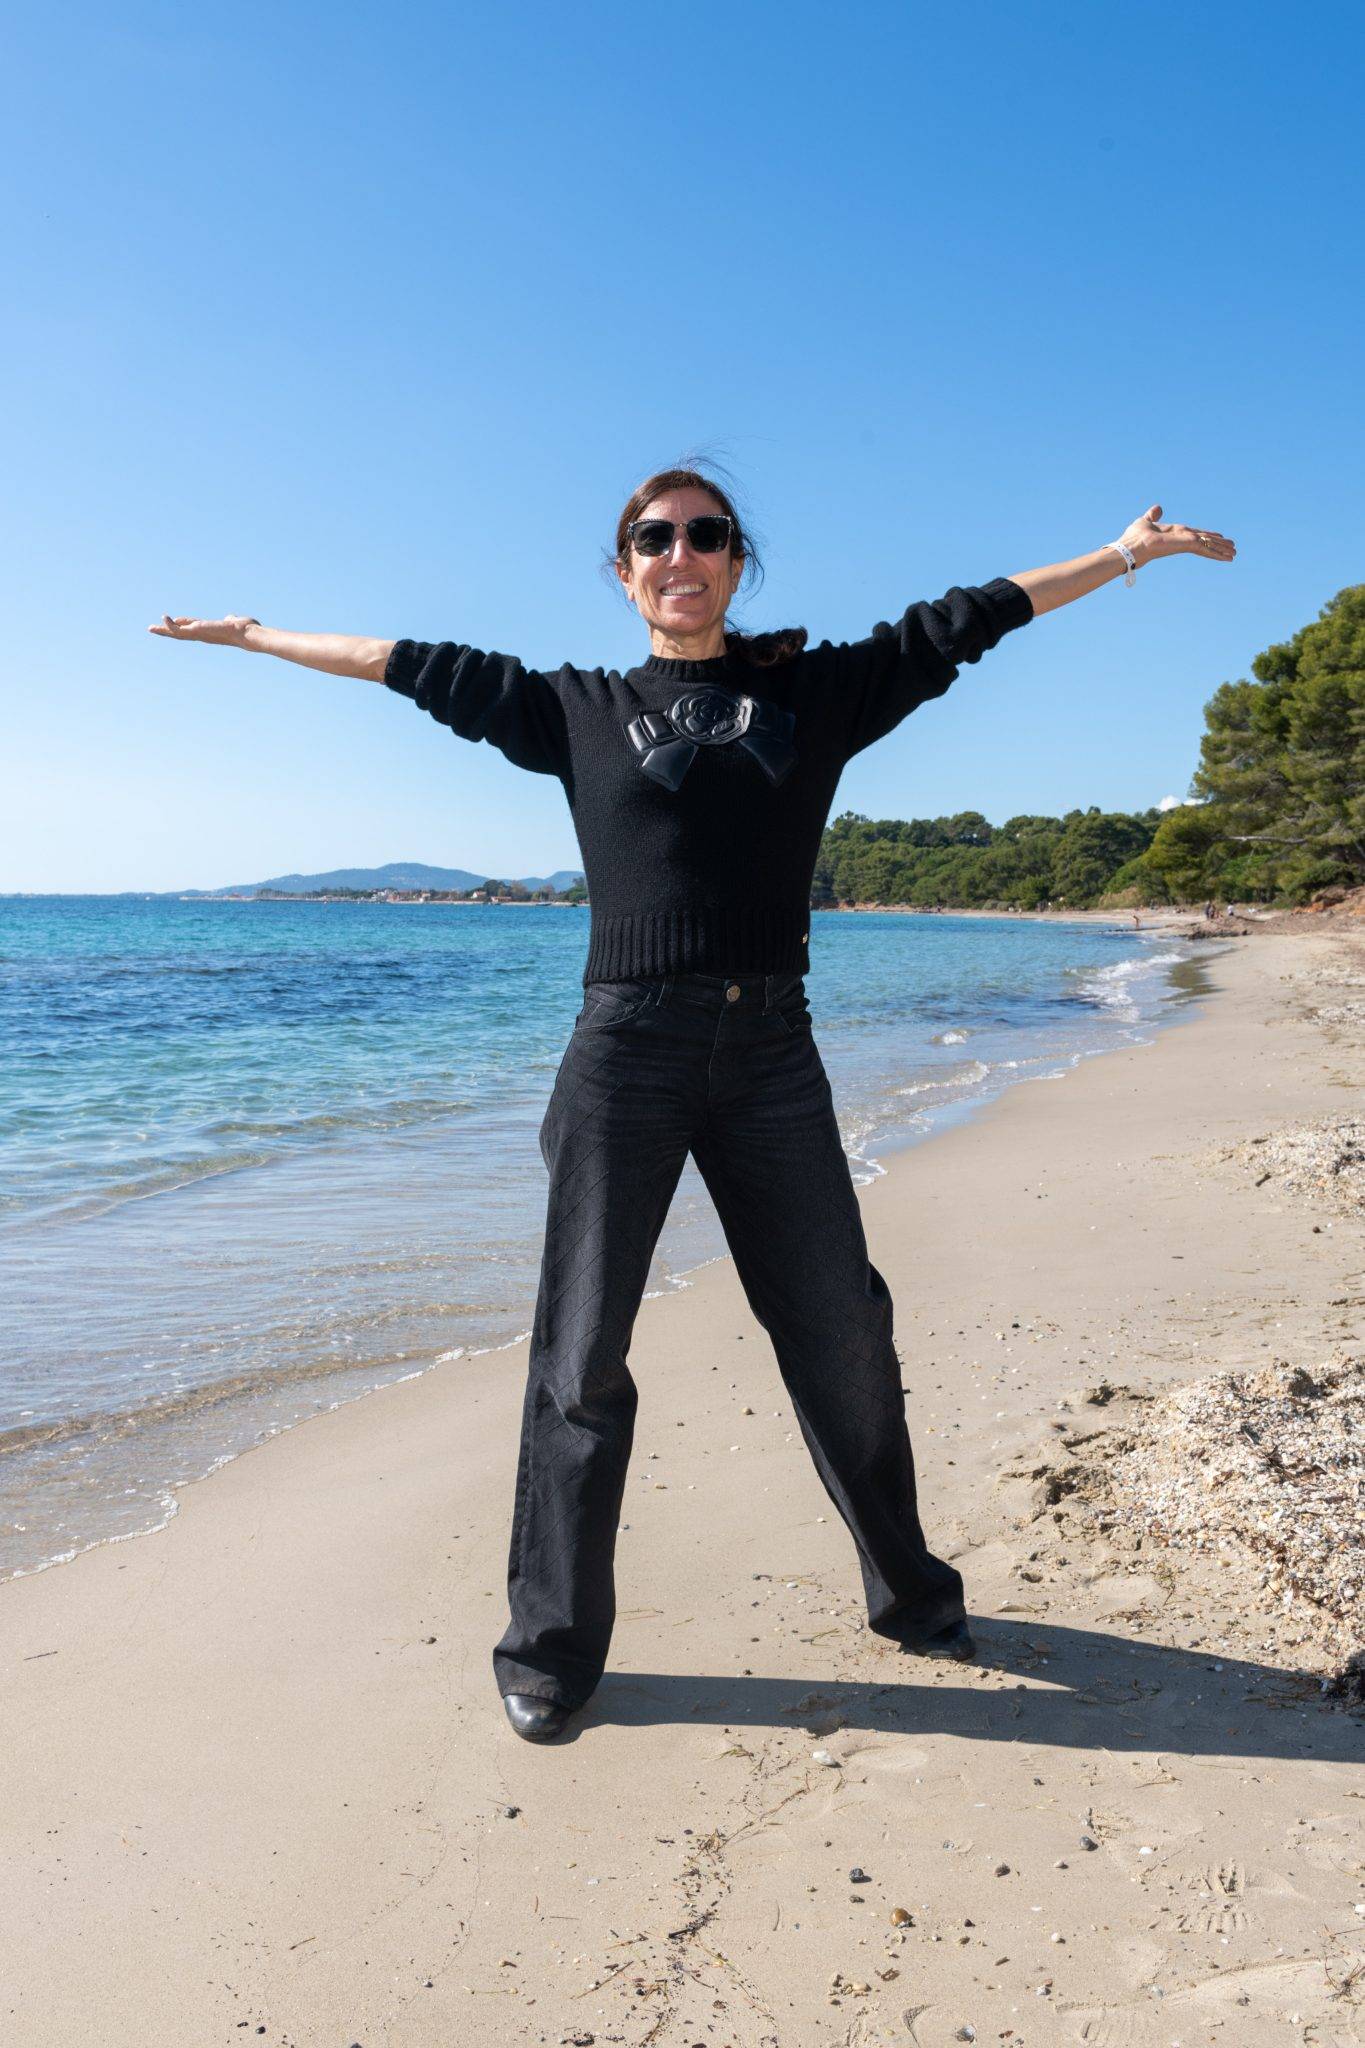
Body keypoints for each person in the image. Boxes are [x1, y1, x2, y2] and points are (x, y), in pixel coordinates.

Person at [152, 469, 1236, 1742]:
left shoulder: (816, 692)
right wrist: (259, 636)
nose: (681, 553)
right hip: (628, 1050)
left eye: (705, 536)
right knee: (579, 1357)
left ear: (734, 563)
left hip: (773, 1050)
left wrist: (1120, 555)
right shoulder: (573, 707)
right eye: (654, 539)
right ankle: (552, 1644)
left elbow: (969, 618)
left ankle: (910, 1590)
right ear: (627, 572)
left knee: (844, 1331)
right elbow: (406, 661)